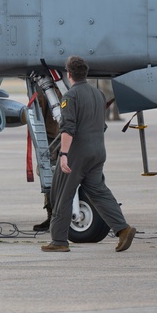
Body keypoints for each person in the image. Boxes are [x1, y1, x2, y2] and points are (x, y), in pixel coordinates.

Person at [42, 56, 136, 253]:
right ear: (85, 73)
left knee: (62, 193)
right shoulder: (98, 94)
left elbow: (67, 129)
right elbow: (101, 125)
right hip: (98, 150)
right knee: (98, 191)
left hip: (78, 152)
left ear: (69, 74)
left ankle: (59, 240)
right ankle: (123, 228)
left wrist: (64, 154)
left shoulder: (70, 97)